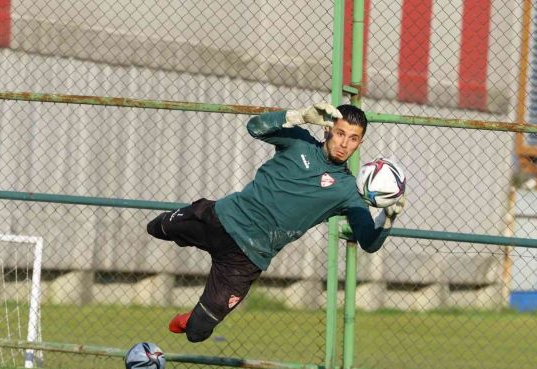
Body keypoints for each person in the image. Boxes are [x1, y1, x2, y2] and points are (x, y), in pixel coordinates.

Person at [146, 102, 405, 343]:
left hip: (245, 260)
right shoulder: (299, 142)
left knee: (197, 332)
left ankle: (191, 317)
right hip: (219, 219)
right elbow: (254, 127)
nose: (344, 143)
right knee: (156, 227)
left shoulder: (349, 191)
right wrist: (299, 116)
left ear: (360, 143)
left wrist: (388, 217)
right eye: (340, 133)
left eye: (353, 138)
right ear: (327, 129)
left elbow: (369, 242)